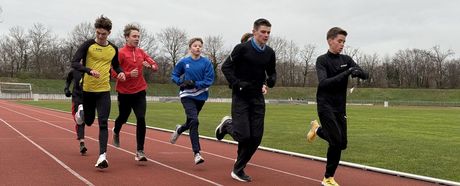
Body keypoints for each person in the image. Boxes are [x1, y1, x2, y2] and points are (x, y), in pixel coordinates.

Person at [215, 18, 276, 182]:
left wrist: (271, 80)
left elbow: (272, 72)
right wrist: (237, 83)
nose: (266, 35)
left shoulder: (270, 53)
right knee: (244, 135)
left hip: (257, 97)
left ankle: (238, 169)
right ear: (254, 31)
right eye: (263, 32)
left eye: (268, 32)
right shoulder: (242, 49)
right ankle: (228, 125)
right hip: (241, 96)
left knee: (256, 138)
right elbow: (226, 67)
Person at [306, 27, 368, 186]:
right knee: (335, 141)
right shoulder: (322, 60)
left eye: (344, 42)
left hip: (340, 106)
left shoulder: (346, 59)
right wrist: (347, 73)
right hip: (325, 104)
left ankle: (317, 129)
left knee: (342, 144)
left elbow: (365, 74)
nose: (342, 45)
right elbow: (325, 83)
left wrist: (358, 72)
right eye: (339, 41)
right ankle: (328, 178)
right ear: (330, 41)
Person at [71, 15, 126, 169]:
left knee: (103, 123)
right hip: (88, 91)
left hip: (104, 91)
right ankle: (81, 114)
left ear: (109, 33)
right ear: (96, 32)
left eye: (104, 34)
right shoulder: (88, 45)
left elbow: (116, 65)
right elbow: (74, 63)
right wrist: (88, 70)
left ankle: (102, 156)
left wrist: (120, 72)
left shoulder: (113, 48)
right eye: (98, 33)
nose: (101, 36)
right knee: (88, 121)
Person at [111, 24, 158, 162]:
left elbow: (154, 64)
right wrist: (127, 74)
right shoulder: (120, 53)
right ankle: (116, 130)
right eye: (134, 36)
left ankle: (140, 150)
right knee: (123, 117)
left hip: (139, 91)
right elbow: (113, 71)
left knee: (141, 118)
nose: (137, 39)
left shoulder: (141, 52)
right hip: (124, 92)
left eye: (138, 36)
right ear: (126, 37)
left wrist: (151, 66)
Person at [169, 37, 215, 165]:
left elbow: (209, 80)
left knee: (191, 122)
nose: (198, 48)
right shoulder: (184, 62)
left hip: (201, 96)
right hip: (187, 95)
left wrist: (194, 83)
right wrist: (181, 82)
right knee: (194, 121)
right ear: (190, 48)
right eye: (195, 46)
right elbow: (174, 75)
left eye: (200, 46)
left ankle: (179, 130)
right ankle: (197, 153)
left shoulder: (206, 63)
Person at [64, 69, 87, 155]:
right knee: (80, 121)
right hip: (76, 98)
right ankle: (82, 143)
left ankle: (81, 141)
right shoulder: (74, 71)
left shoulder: (91, 70)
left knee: (84, 120)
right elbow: (68, 79)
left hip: (87, 99)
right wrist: (66, 89)